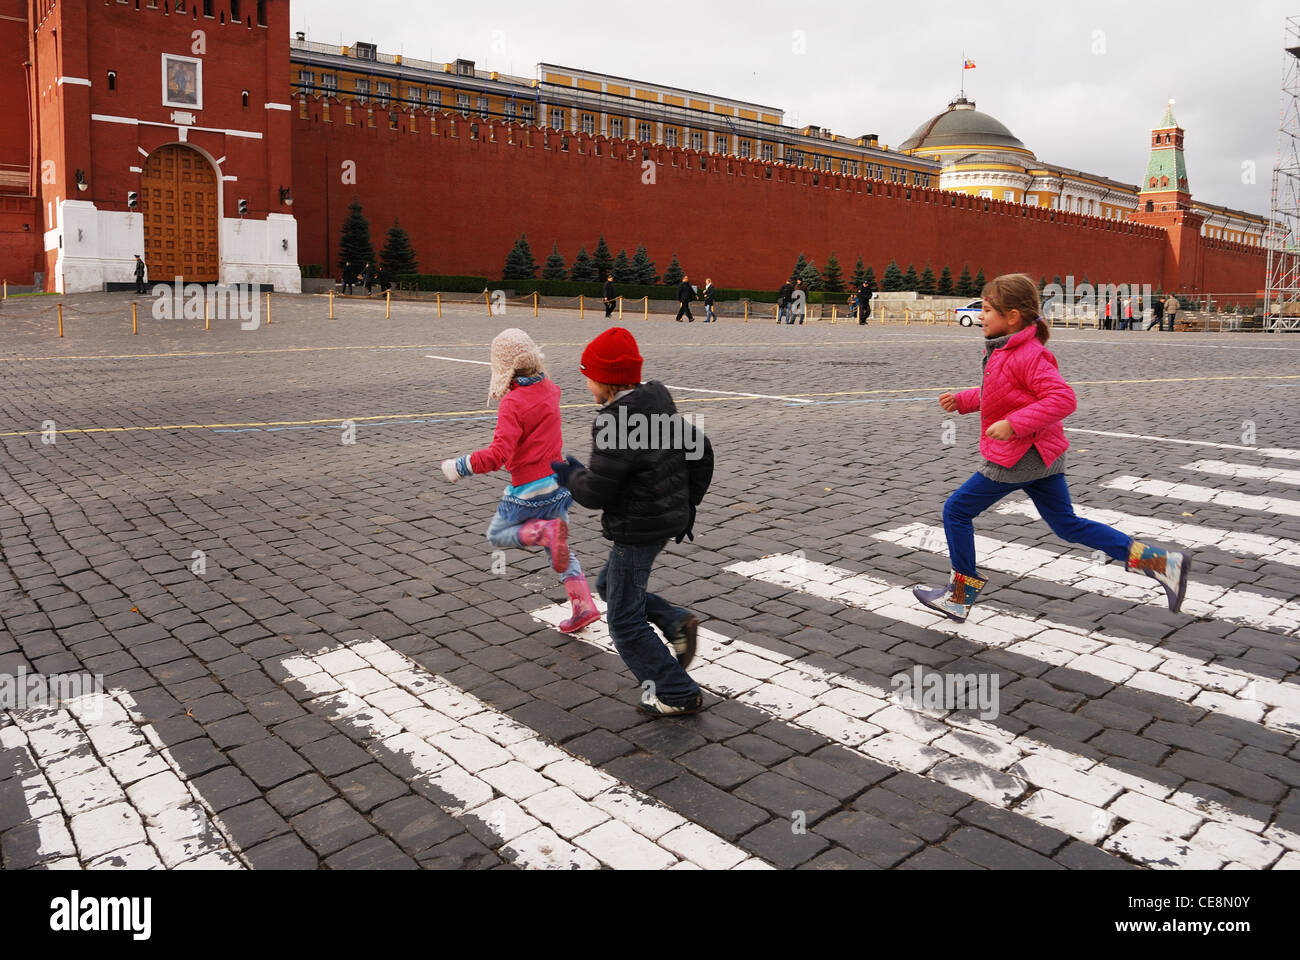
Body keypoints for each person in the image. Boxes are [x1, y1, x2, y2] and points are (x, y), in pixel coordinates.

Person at [913, 273, 1193, 623]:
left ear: (1012, 316)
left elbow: (1062, 398)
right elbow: (1002, 394)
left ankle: (958, 597)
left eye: (986, 309)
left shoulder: (1029, 354)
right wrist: (964, 400)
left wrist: (1014, 424)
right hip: (1042, 457)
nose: (980, 316)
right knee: (1066, 525)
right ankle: (1162, 563)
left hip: (1017, 457)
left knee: (956, 511)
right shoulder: (1007, 349)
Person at [552, 327, 714, 716]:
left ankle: (676, 692)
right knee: (609, 584)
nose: (586, 383)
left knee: (623, 622)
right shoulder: (657, 404)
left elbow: (594, 494)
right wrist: (686, 505)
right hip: (662, 519)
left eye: (588, 376)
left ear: (605, 380)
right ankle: (674, 620)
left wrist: (569, 473)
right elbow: (702, 451)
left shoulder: (614, 423)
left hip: (638, 528)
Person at [439, 329, 600, 634]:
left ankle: (545, 532)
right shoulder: (550, 389)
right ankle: (583, 605)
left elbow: (498, 454)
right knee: (559, 547)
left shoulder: (512, 403)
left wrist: (459, 466)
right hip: (557, 482)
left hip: (529, 487)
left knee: (500, 534)